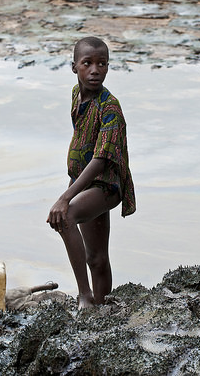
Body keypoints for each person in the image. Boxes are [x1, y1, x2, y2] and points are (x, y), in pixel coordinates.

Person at [47, 36, 136, 309]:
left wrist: (66, 196)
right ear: (74, 67)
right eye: (88, 63)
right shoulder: (77, 95)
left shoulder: (110, 107)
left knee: (66, 215)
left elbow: (100, 159)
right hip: (84, 182)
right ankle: (100, 309)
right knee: (96, 257)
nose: (95, 70)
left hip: (105, 184)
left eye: (102, 64)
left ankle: (84, 297)